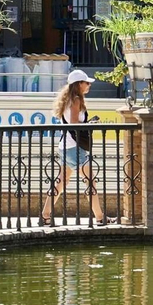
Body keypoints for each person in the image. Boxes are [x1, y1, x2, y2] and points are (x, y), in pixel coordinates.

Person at [40, 69, 115, 227]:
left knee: (61, 182)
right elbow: (74, 123)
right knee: (90, 181)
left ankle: (45, 215)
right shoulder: (75, 100)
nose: (89, 85)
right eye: (86, 82)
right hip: (74, 147)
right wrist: (90, 124)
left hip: (65, 146)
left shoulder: (69, 99)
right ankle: (100, 217)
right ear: (79, 84)